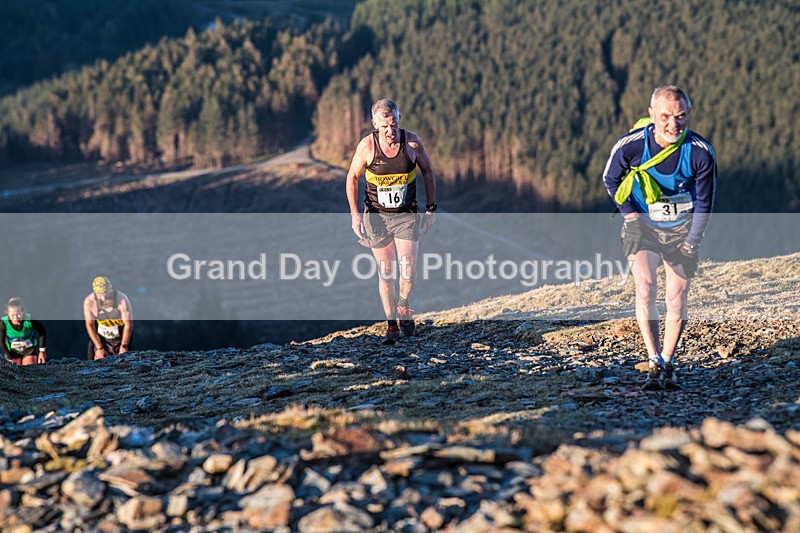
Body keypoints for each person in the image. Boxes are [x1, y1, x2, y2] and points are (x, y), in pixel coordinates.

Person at [603, 86, 716, 390]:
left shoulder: (700, 153)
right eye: (665, 116)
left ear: (688, 114)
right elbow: (610, 178)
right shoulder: (632, 146)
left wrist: (692, 242)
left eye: (680, 116)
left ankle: (668, 360)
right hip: (642, 226)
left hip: (682, 229)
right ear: (652, 115)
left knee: (676, 298)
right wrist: (630, 216)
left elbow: (705, 203)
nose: (673, 124)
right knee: (646, 286)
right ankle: (653, 359)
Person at [346, 99, 437, 345]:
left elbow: (428, 172)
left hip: (406, 215)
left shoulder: (412, 142)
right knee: (386, 273)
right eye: (384, 126)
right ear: (375, 124)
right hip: (376, 218)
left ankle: (404, 304)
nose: (390, 131)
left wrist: (430, 209)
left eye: (394, 124)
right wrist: (355, 215)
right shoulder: (367, 147)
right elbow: (352, 177)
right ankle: (391, 325)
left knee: (408, 273)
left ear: (399, 119)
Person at [83, 276, 133, 359]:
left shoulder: (121, 299)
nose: (103, 298)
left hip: (121, 339)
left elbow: (128, 325)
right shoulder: (89, 302)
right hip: (101, 340)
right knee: (93, 366)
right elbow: (90, 324)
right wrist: (99, 348)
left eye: (105, 293)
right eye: (100, 294)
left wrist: (124, 346)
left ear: (110, 291)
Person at [1, 297, 47, 365]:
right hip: (12, 352)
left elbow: (42, 331)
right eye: (12, 315)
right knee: (15, 372)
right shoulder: (3, 323)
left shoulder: (29, 319)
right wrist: (9, 356)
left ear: (23, 311)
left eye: (18, 314)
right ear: (7, 313)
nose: (15, 318)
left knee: (29, 370)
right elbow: (1, 341)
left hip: (29, 350)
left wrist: (42, 351)